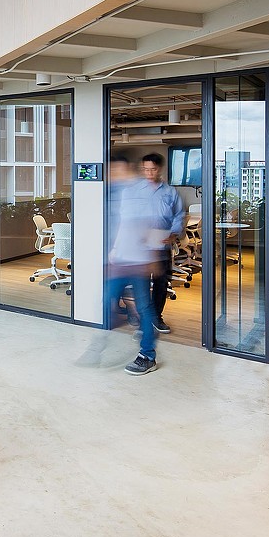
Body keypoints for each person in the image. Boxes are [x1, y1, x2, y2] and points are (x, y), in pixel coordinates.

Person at [103, 156, 168, 375]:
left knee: (145, 308)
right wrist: (114, 250)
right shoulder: (123, 194)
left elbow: (154, 227)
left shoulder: (144, 194)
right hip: (122, 260)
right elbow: (123, 225)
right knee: (106, 299)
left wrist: (153, 257)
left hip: (139, 262)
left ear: (127, 169)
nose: (113, 175)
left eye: (116, 170)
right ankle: (131, 330)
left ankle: (147, 355)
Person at [140, 153, 186, 334]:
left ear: (159, 169)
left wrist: (174, 233)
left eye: (152, 169)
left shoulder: (170, 192)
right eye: (146, 169)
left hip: (162, 245)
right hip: (141, 247)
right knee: (141, 284)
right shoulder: (137, 191)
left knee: (160, 283)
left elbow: (179, 214)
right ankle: (144, 316)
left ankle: (156, 317)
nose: (149, 173)